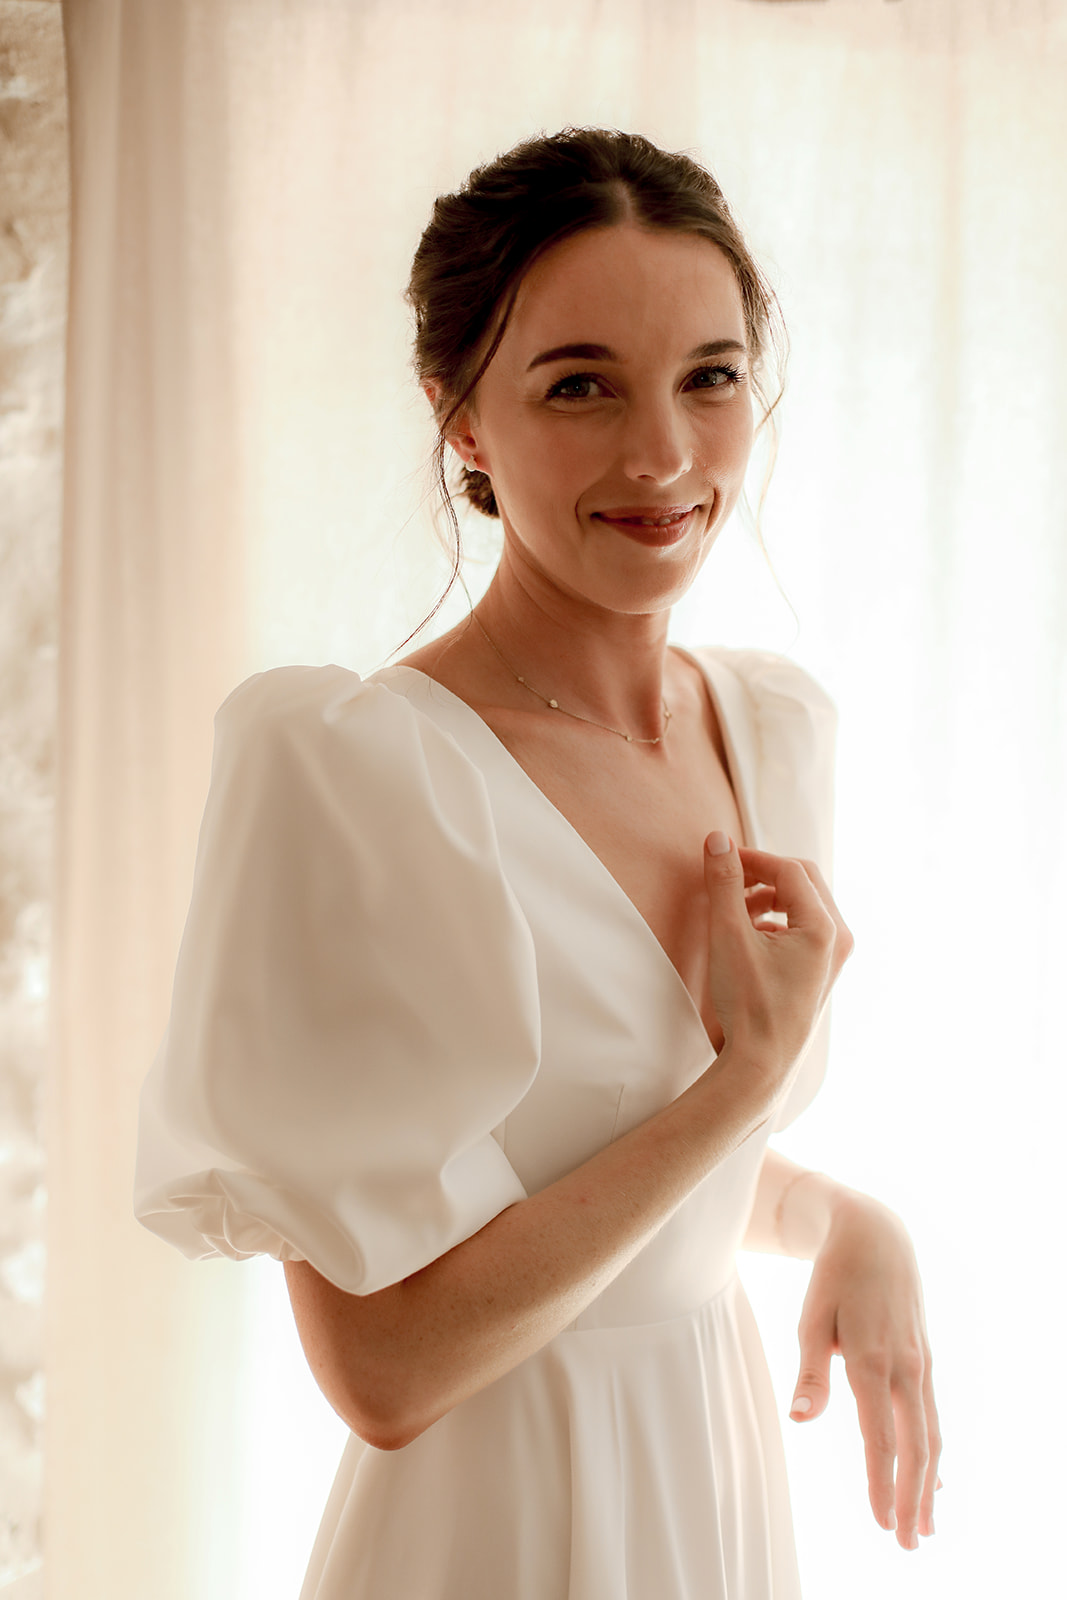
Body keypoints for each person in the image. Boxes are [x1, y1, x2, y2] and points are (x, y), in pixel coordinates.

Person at [135, 128, 940, 1598]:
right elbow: (387, 1367)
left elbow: (587, 1169)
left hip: (710, 1476)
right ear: (461, 418)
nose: (665, 456)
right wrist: (741, 1087)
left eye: (709, 375)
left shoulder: (767, 729)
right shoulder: (365, 774)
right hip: (495, 1521)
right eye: (581, 385)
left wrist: (843, 1217)